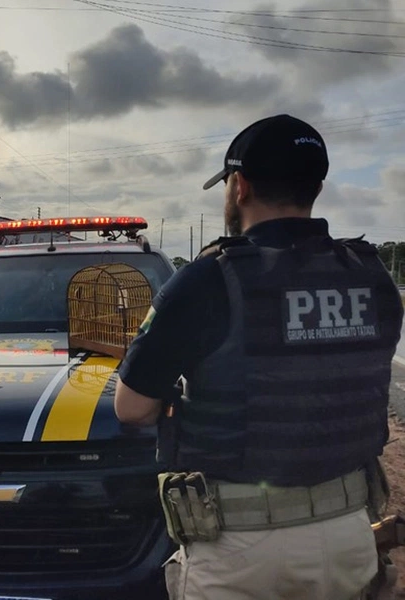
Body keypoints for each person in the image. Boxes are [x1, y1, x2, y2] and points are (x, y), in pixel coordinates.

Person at [114, 114, 404, 600]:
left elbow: (132, 408)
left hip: (240, 551)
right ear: (315, 187)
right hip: (350, 535)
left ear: (240, 186)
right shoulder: (371, 275)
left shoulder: (207, 279)